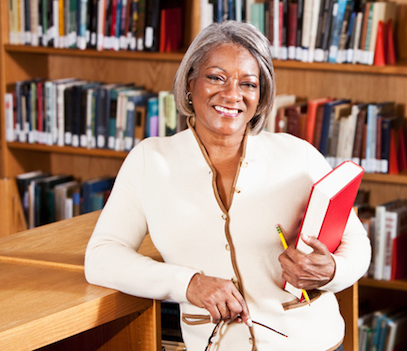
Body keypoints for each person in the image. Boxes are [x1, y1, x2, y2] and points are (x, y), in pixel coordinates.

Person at [84, 20, 371, 351]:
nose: (232, 94)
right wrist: (188, 284)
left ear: (261, 96)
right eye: (216, 77)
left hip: (312, 342)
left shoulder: (297, 156)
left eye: (248, 84)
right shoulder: (151, 160)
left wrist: (332, 270)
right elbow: (102, 257)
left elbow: (357, 243)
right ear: (190, 83)